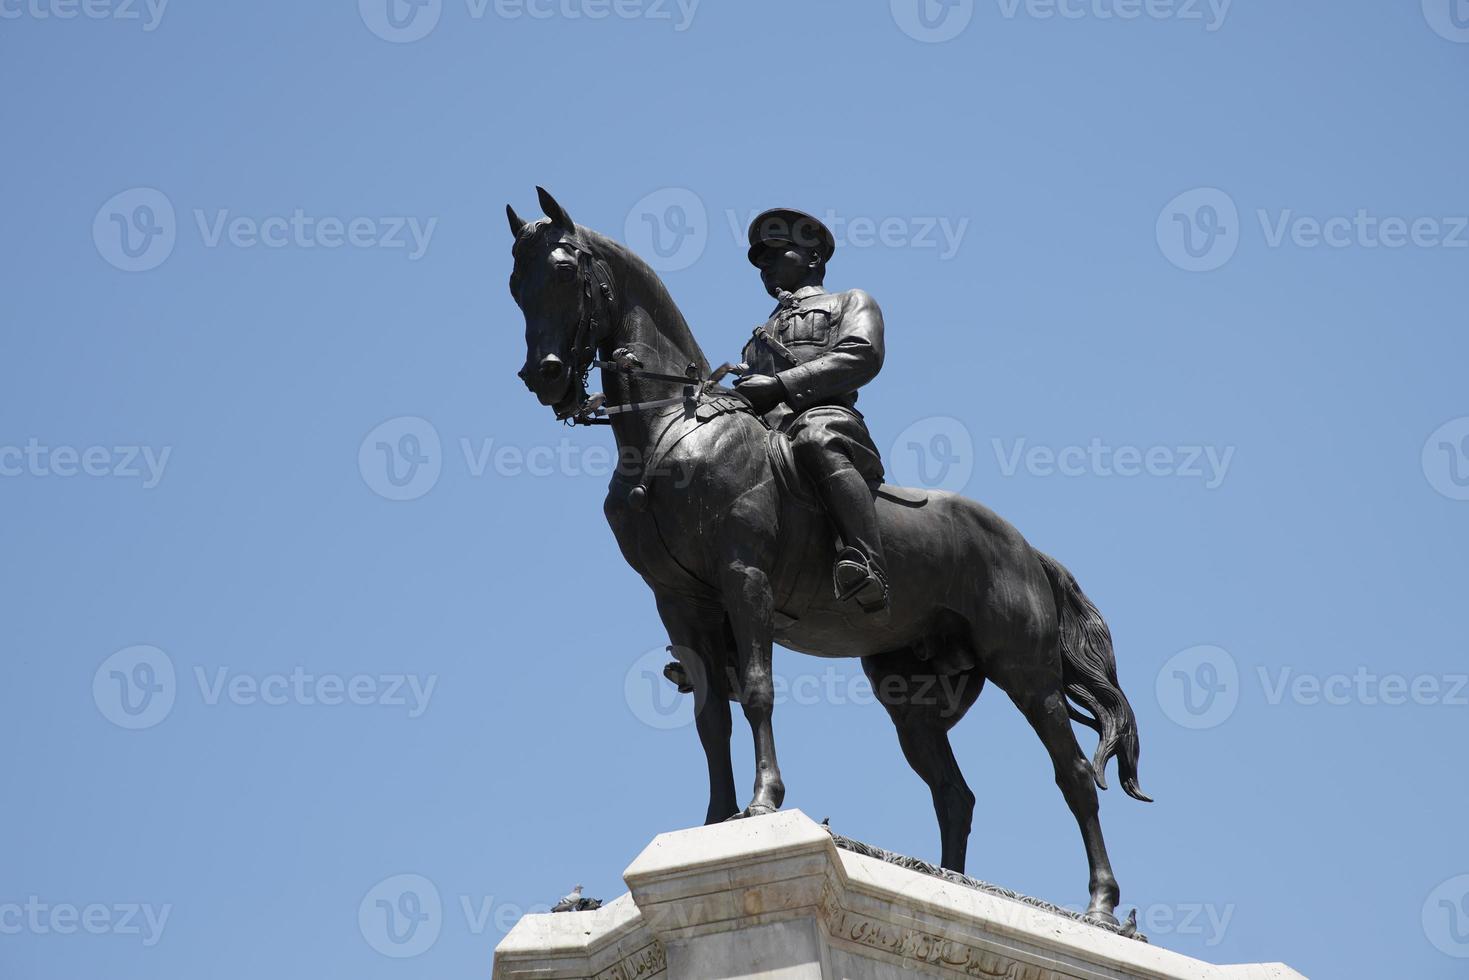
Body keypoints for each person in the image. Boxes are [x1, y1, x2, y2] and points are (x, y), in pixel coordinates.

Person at [736, 208, 890, 615]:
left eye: (775, 253)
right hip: (768, 433)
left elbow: (862, 355)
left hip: (828, 419)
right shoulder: (758, 337)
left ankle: (866, 561)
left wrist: (780, 385)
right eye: (760, 261)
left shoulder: (850, 301)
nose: (765, 265)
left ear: (813, 257)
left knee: (815, 440)